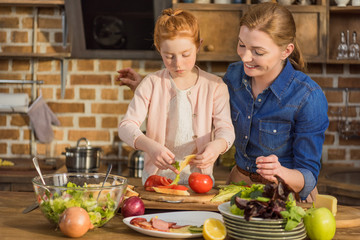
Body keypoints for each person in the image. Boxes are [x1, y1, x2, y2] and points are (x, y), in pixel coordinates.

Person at [117, 3, 329, 202]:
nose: (245, 57)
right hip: (236, 188)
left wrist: (280, 171)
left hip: (282, 194)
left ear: (286, 51)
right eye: (242, 45)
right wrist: (146, 89)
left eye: (258, 52)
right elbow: (196, 96)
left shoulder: (308, 97)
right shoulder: (234, 76)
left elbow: (308, 175)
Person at [118, 8, 235, 185]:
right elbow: (125, 127)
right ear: (159, 49)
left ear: (199, 45)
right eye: (169, 56)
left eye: (186, 54)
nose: (178, 63)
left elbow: (226, 130)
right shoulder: (151, 83)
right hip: (157, 179)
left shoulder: (215, 86)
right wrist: (150, 146)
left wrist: (216, 147)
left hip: (199, 181)